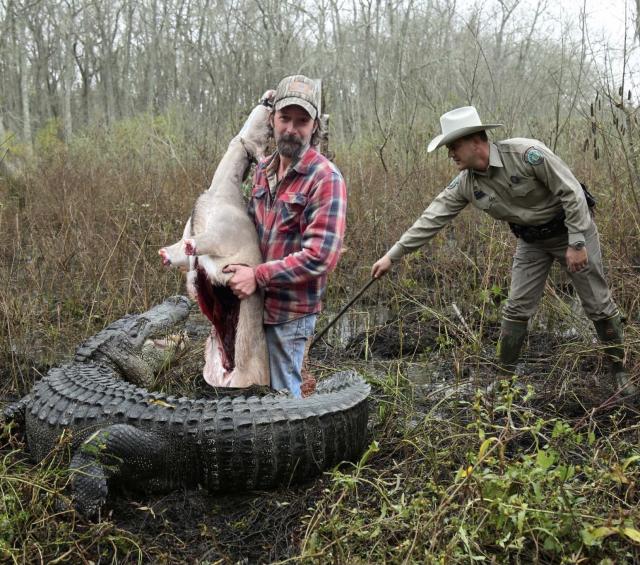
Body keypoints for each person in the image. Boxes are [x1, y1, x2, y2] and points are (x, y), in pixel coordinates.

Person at [371, 106, 635, 398]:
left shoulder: (527, 155)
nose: (451, 154)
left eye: (454, 146)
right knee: (516, 307)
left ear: (476, 141)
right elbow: (431, 218)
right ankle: (504, 379)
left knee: (597, 303)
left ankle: (620, 373)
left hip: (571, 230)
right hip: (532, 242)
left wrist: (576, 243)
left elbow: (571, 193)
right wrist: (392, 255)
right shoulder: (466, 184)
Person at [224, 75, 347, 398]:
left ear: (314, 125)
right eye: (285, 118)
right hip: (253, 305)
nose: (292, 129)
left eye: (302, 121)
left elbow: (321, 256)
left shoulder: (325, 179)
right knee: (254, 393)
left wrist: (257, 275)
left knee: (284, 401)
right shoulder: (263, 170)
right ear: (272, 120)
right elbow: (248, 231)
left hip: (290, 314)